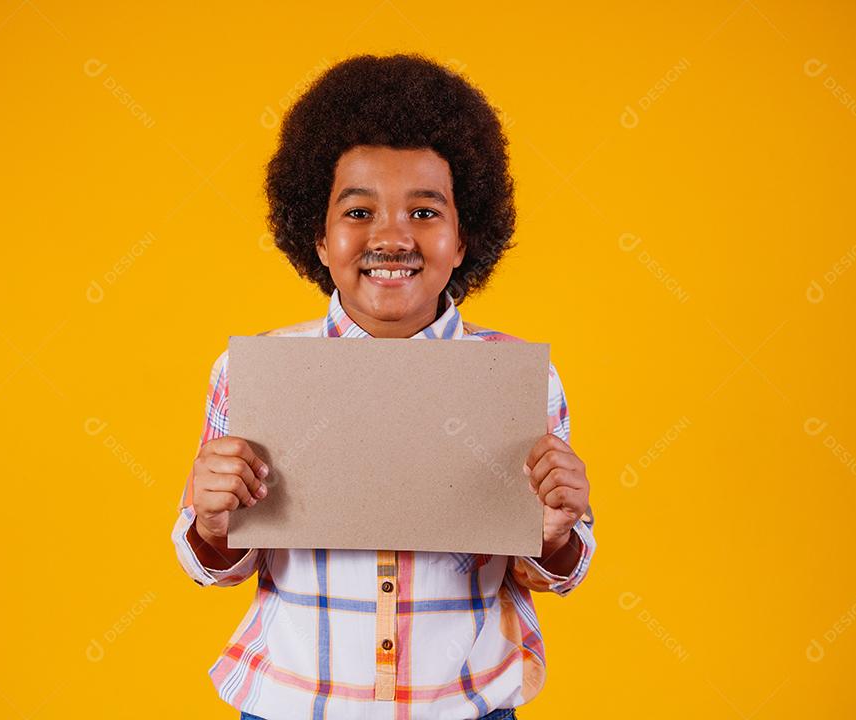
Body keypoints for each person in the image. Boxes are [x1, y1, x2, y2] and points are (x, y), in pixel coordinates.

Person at [171, 53, 597, 720]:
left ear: (464, 239)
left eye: (425, 213)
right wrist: (213, 520)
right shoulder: (256, 372)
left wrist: (556, 534)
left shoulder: (521, 379)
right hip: (293, 703)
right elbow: (210, 562)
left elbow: (558, 568)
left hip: (466, 705)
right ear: (317, 233)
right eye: (359, 211)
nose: (392, 237)